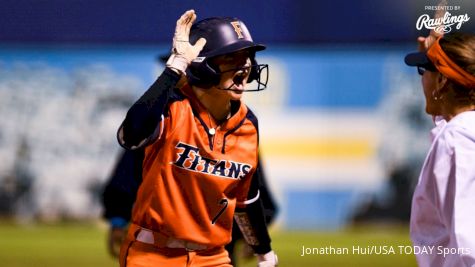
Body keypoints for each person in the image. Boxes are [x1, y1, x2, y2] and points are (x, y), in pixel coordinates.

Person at [116, 9, 277, 267]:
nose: (245, 66)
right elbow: (130, 136)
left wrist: (264, 252)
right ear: (205, 66)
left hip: (213, 258)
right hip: (152, 254)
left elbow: (246, 200)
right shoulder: (173, 107)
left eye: (247, 57)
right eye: (231, 57)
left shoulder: (248, 124)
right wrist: (175, 67)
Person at [404, 31, 475, 266]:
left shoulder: (456, 140)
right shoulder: (460, 133)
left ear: (443, 81)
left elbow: (469, 247)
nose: (422, 79)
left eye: (424, 70)